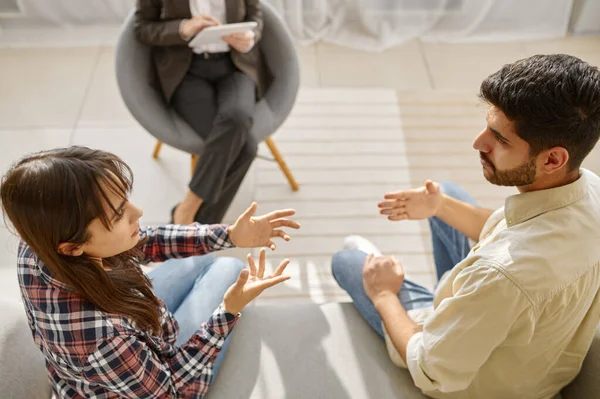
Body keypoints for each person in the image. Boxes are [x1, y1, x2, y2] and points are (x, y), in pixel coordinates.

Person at [331, 54, 600, 399]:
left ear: (552, 159)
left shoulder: (503, 277)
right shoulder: (589, 189)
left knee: (347, 262)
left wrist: (383, 294)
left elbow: (430, 369)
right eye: (487, 126)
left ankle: (405, 291)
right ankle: (438, 287)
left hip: (472, 379)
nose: (477, 143)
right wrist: (438, 205)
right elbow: (505, 227)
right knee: (448, 193)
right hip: (530, 353)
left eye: (500, 140)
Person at [0, 146, 300, 398]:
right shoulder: (105, 342)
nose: (138, 212)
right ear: (72, 247)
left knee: (215, 259)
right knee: (230, 267)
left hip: (122, 342)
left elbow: (144, 240)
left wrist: (230, 235)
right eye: (119, 214)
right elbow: (170, 390)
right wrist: (229, 311)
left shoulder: (37, 246)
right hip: (152, 377)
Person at [135, 0, 272, 225]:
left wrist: (248, 38)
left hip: (235, 65)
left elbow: (256, 17)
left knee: (238, 117)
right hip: (186, 70)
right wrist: (182, 28)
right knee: (245, 148)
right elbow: (142, 29)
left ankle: (185, 214)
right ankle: (200, 231)